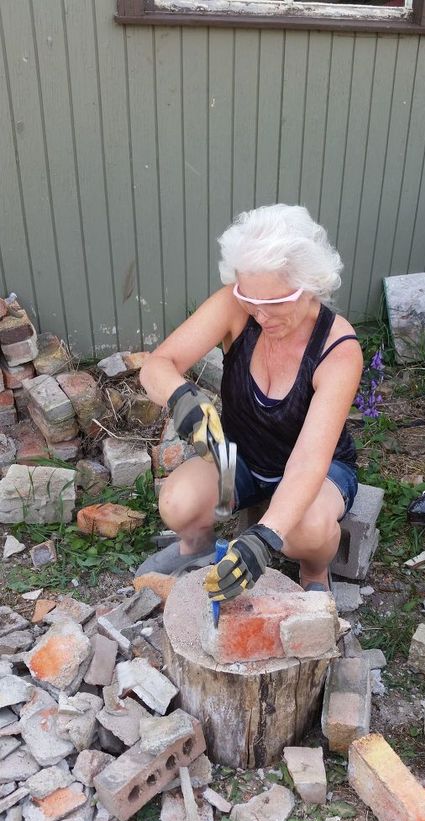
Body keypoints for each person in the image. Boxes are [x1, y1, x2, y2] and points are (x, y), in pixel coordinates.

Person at [137, 204, 363, 598]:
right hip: (240, 459)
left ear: (308, 286)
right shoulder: (237, 306)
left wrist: (264, 538)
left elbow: (308, 462)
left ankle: (313, 571)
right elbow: (157, 364)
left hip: (318, 471)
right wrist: (179, 397)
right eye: (249, 298)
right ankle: (198, 545)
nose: (260, 314)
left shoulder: (338, 349)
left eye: (275, 302)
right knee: (178, 501)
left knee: (302, 533)